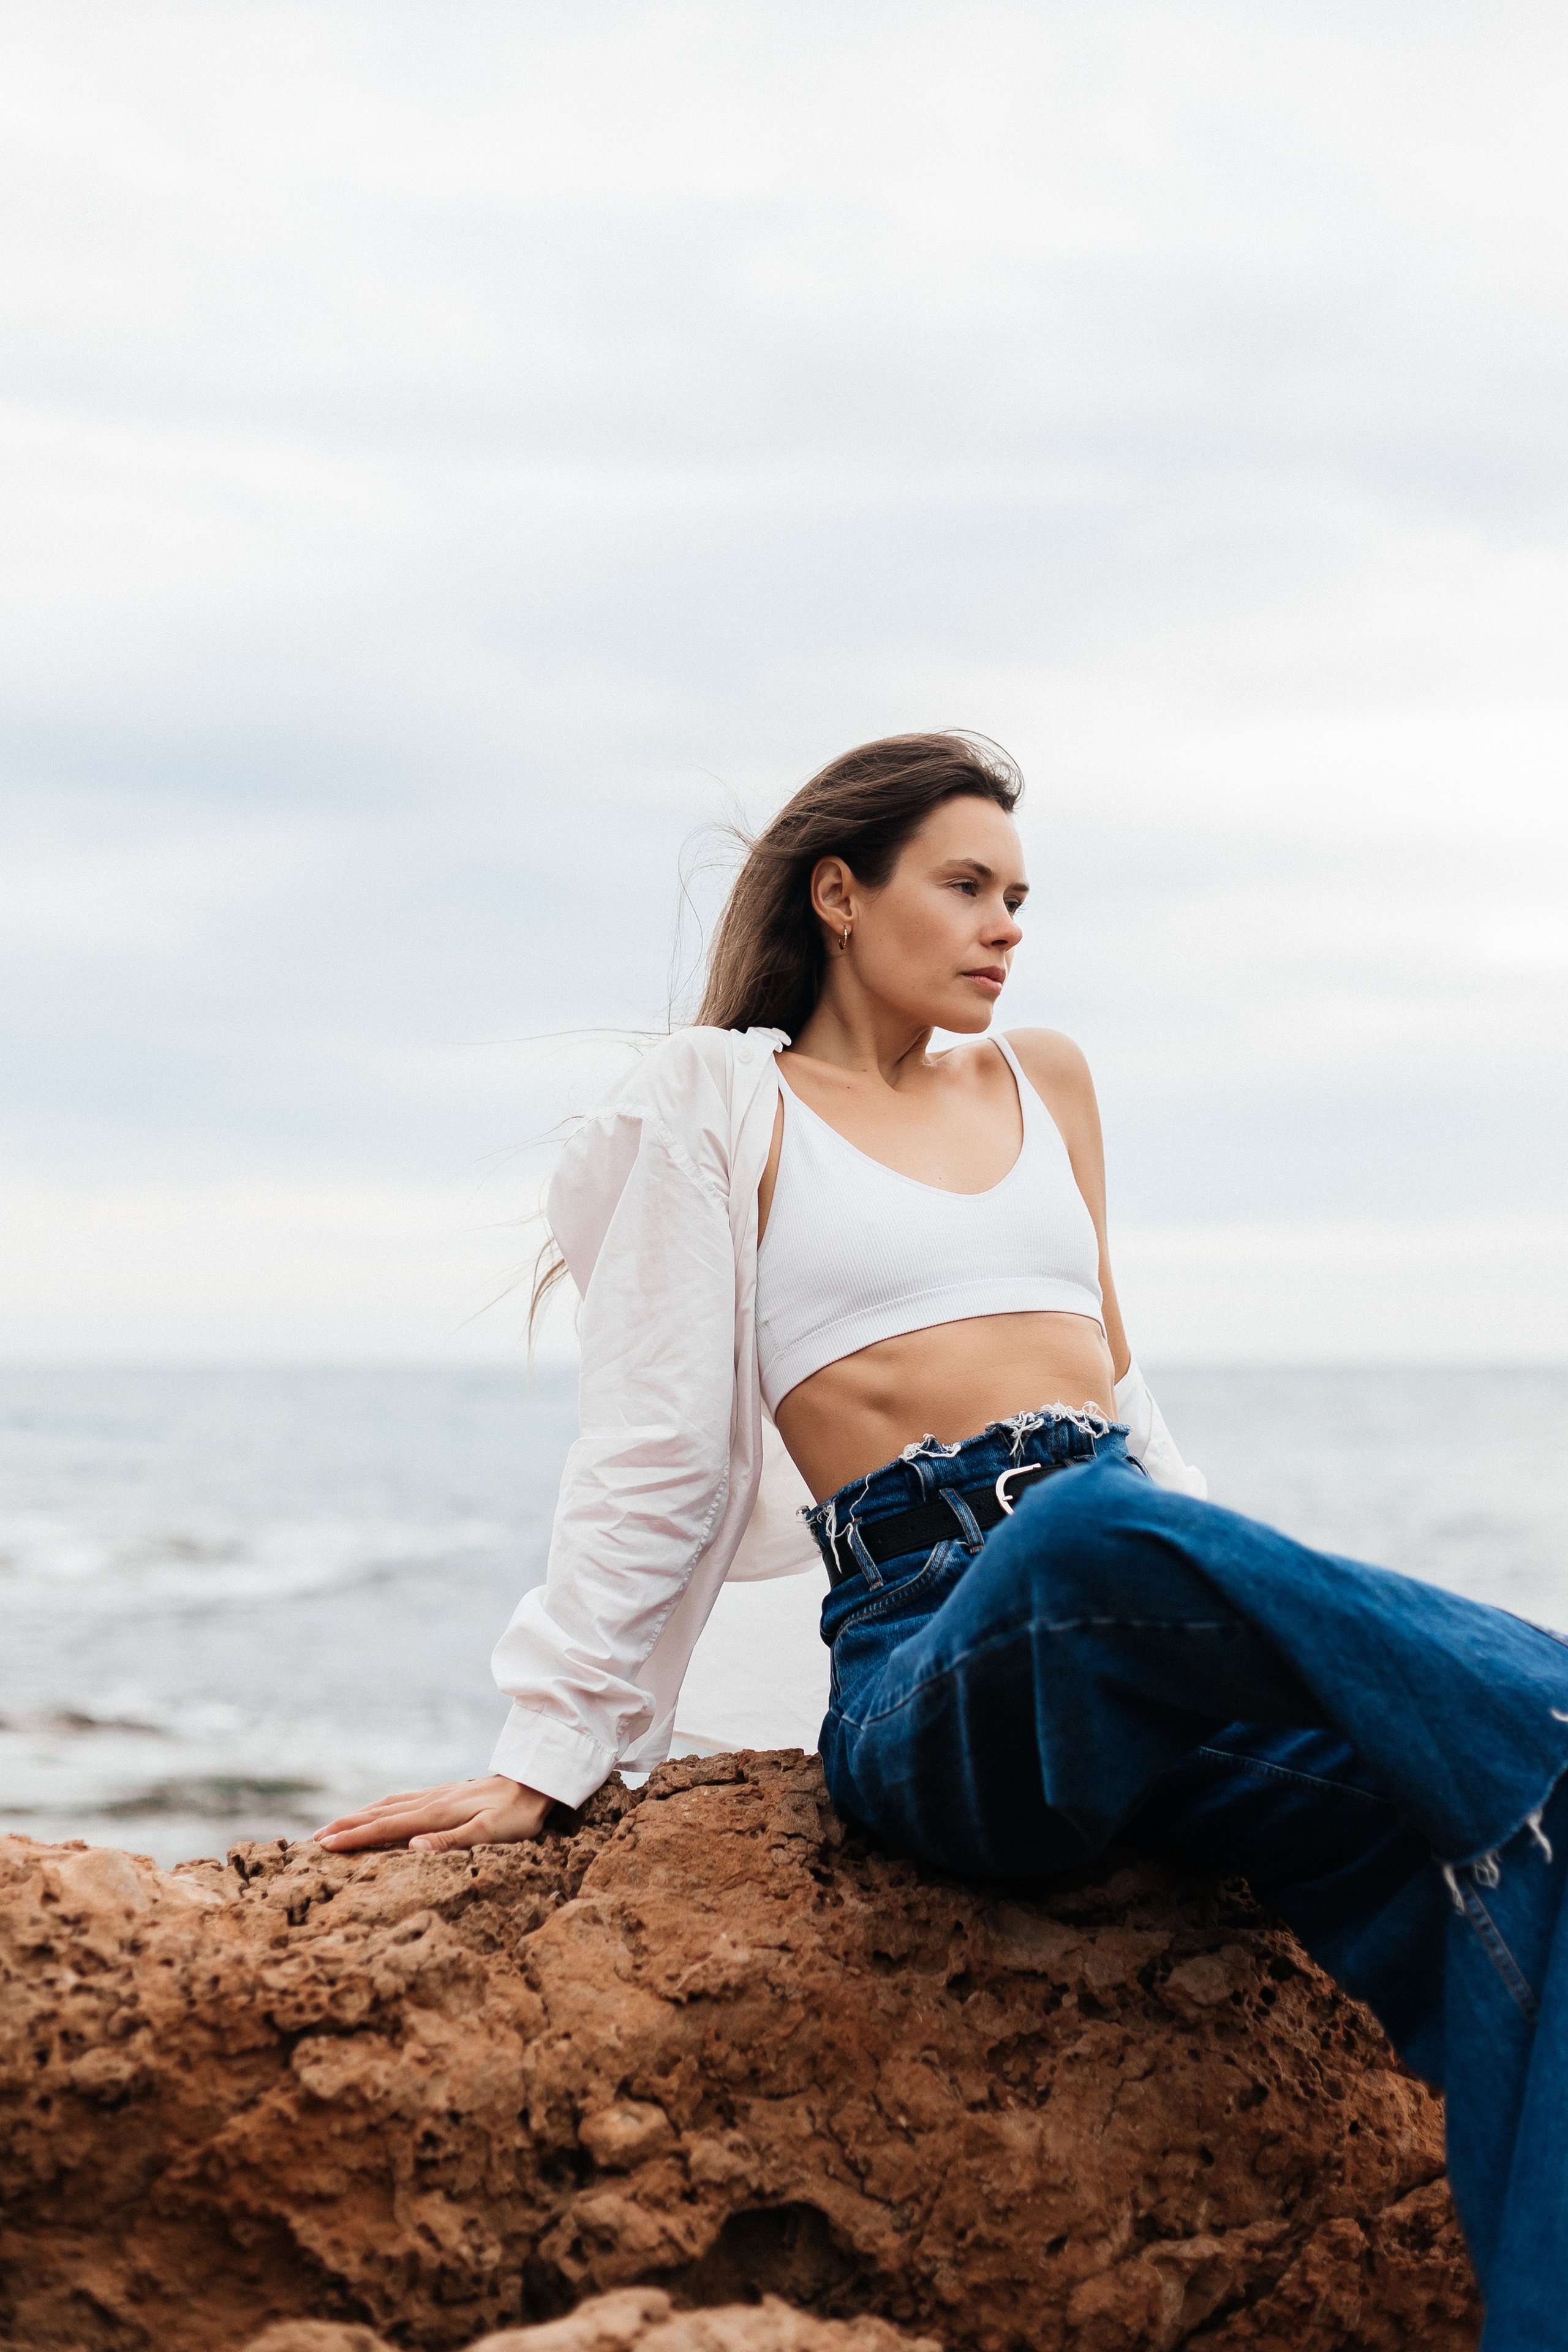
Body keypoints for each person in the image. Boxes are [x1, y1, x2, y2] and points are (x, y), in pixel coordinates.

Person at [317, 732, 1568, 2342]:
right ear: (842, 895)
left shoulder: (1046, 1080)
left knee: (1507, 1853)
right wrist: (549, 1750)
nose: (1006, 927)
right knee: (1084, 1544)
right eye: (967, 887)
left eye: (1021, 897)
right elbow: (651, 1445)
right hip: (936, 1668)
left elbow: (1125, 1398)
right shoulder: (722, 1102)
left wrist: (1257, 1644)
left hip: (1131, 1631)